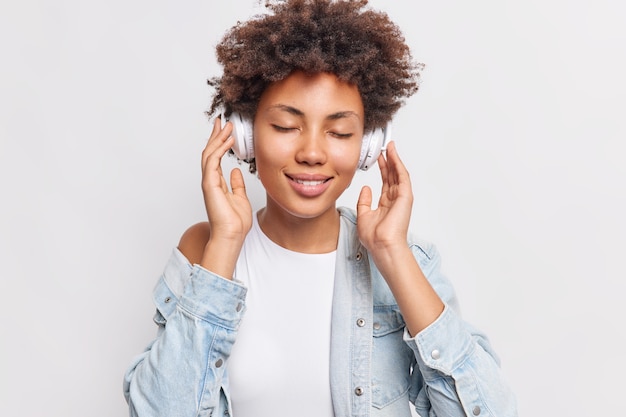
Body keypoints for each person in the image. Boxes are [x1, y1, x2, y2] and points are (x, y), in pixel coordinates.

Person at [123, 1, 517, 416]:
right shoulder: (205, 249)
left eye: (340, 131)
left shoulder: (406, 260)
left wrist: (392, 255)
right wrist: (225, 243)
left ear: (367, 145)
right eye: (285, 126)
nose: (312, 152)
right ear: (245, 136)